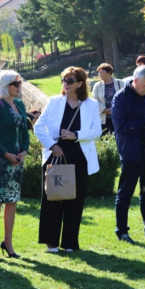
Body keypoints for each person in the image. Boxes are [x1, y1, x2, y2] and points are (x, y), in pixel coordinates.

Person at [34, 67, 101, 252]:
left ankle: (70, 243)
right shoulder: (54, 101)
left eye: (70, 80)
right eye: (63, 79)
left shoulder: (91, 104)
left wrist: (76, 135)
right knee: (52, 198)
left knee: (75, 200)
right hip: (55, 156)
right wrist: (52, 146)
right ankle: (51, 243)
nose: (66, 83)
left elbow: (97, 131)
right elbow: (38, 127)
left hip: (79, 157)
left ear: (80, 83)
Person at [0, 70, 29, 260]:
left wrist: (24, 150)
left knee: (12, 201)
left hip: (18, 160)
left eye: (19, 83)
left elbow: (25, 131)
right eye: (15, 83)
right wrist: (6, 154)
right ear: (4, 86)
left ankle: (8, 243)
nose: (19, 87)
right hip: (2, 160)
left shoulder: (19, 104)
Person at [111, 65, 145, 244]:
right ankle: (122, 230)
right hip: (132, 152)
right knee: (125, 193)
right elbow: (121, 126)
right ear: (135, 80)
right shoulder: (120, 98)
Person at [92, 63, 124, 135]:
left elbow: (125, 98)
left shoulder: (120, 83)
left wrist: (116, 109)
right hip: (104, 117)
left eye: (102, 72)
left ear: (109, 72)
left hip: (119, 116)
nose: (100, 75)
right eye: (99, 73)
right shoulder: (97, 85)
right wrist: (104, 110)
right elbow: (94, 100)